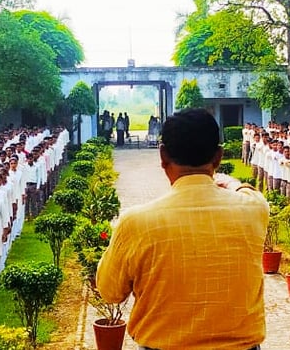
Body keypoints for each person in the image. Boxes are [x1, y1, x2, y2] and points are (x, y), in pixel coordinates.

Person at [96, 108, 269, 350]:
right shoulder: (253, 209)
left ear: (163, 155)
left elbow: (109, 291)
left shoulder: (136, 223)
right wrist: (232, 183)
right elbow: (251, 194)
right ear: (218, 157)